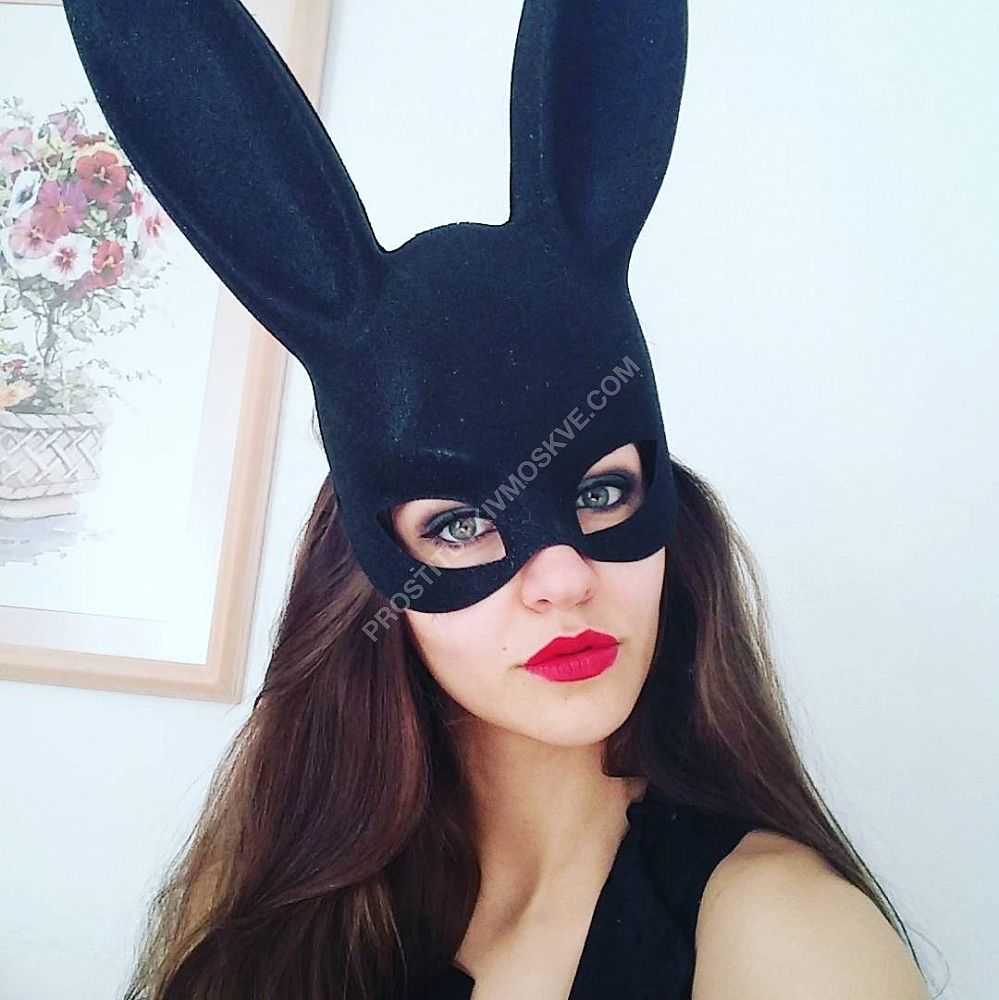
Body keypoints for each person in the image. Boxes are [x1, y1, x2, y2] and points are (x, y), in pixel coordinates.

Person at [61, 1, 939, 997]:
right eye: (461, 523)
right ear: (367, 571)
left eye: (602, 491)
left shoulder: (785, 940)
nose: (563, 577)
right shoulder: (258, 918)